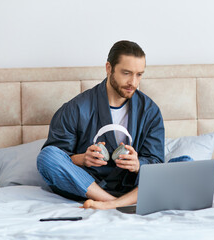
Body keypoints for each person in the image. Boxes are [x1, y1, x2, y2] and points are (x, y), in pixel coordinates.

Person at [37, 40, 165, 210]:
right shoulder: (75, 108)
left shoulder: (150, 111)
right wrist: (83, 159)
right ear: (109, 68)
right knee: (47, 156)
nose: (133, 82)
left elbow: (156, 161)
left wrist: (138, 164)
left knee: (185, 163)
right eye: (126, 73)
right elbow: (59, 157)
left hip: (131, 186)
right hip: (88, 187)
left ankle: (113, 204)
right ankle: (112, 201)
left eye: (139, 74)